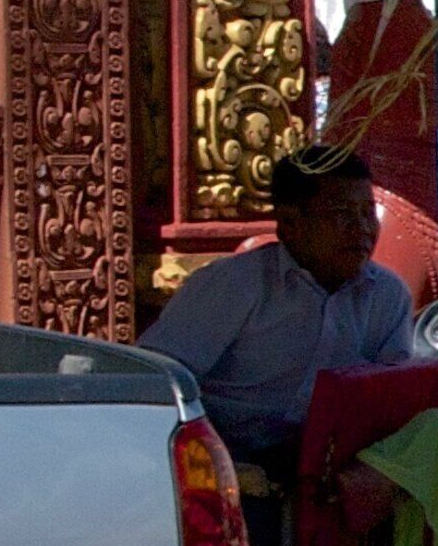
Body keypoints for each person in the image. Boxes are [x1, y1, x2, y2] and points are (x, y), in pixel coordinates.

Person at [140, 144, 416, 466]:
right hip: (225, 464)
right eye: (341, 214)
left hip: (328, 467)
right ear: (289, 222)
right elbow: (160, 381)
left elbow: (393, 400)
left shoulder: (387, 294)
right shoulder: (234, 285)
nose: (362, 229)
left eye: (368, 213)